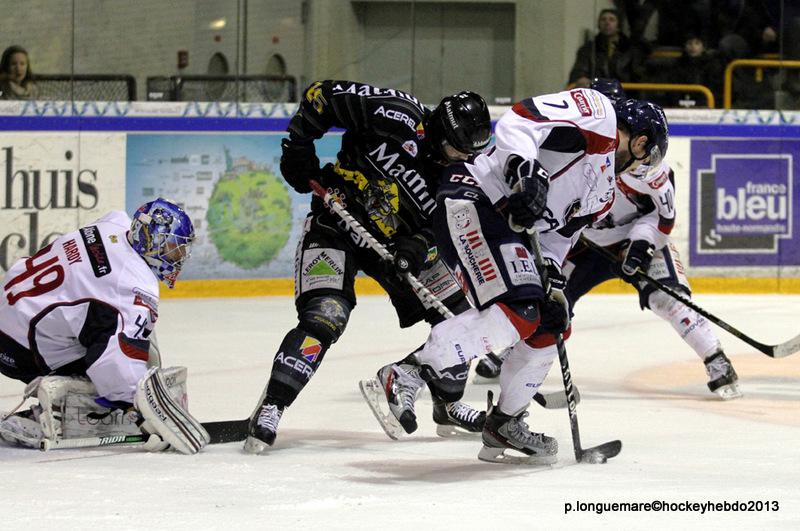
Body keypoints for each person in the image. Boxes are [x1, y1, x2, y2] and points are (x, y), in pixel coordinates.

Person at [366, 85, 669, 464]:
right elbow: (521, 119)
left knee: (551, 324)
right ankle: (409, 372)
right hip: (474, 197)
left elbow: (558, 238)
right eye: (647, 157)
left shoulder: (603, 195)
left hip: (507, 230)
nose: (641, 166)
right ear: (641, 142)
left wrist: (552, 278)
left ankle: (504, 423)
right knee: (520, 313)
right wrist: (525, 171)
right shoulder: (598, 114)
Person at [244, 80, 493, 454]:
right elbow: (322, 95)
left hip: (393, 249)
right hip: (336, 224)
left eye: (467, 152)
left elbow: (448, 227)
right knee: (325, 315)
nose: (459, 159)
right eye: (454, 149)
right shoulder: (395, 112)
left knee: (462, 316)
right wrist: (298, 145)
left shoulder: (460, 172)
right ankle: (272, 405)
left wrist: (420, 246)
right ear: (440, 131)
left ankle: (448, 402)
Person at [475, 79, 740, 400]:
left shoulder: (647, 168)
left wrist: (640, 243)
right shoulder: (575, 144)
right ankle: (510, 349)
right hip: (584, 241)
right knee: (549, 298)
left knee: (666, 297)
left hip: (633, 240)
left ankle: (715, 357)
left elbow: (664, 218)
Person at [0, 198, 210, 454]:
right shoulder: (133, 286)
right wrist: (139, 410)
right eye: (172, 248)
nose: (179, 257)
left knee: (124, 327)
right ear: (150, 241)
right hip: (20, 348)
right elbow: (112, 364)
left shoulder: (114, 224)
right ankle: (49, 414)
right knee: (126, 359)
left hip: (12, 305)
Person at [568, 8, 648, 88]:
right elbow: (579, 70)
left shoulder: (631, 49)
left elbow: (639, 76)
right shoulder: (588, 49)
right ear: (599, 24)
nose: (607, 23)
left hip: (625, 92)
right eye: (603, 19)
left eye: (612, 19)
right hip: (596, 92)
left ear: (618, 25)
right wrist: (581, 78)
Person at [666, 34, 724, 107]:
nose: (693, 47)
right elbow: (673, 88)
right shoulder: (677, 64)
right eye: (689, 43)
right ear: (685, 46)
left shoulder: (712, 65)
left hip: (705, 105)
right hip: (679, 105)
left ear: (703, 47)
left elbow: (714, 88)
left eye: (697, 43)